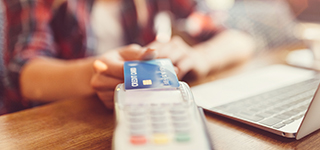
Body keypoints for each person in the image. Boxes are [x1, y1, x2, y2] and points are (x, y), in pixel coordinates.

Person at [1, 0, 255, 114]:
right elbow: (23, 73)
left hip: (137, 115)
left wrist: (200, 57)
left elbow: (240, 39)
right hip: (50, 124)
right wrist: (96, 72)